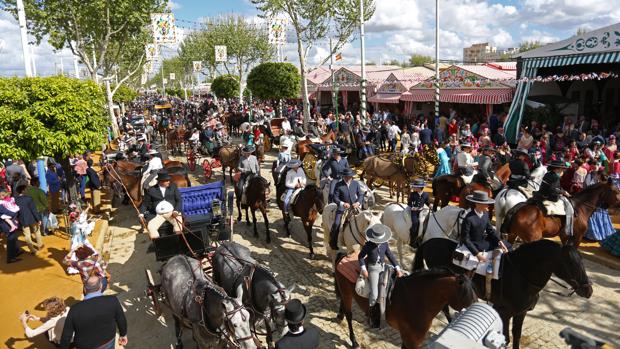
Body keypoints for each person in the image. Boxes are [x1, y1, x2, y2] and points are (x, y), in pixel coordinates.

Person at [59, 276, 128, 349]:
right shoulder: (112, 300)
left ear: (85, 289)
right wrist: (123, 335)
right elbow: (121, 319)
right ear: (101, 286)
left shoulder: (74, 310)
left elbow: (66, 336)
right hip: (108, 340)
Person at [358, 224, 403, 327]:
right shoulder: (368, 245)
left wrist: (398, 268)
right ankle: (370, 314)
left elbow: (390, 255)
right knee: (374, 294)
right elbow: (360, 257)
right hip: (373, 268)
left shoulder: (385, 244)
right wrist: (364, 269)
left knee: (387, 289)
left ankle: (382, 310)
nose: (378, 242)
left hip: (383, 267)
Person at [460, 191, 508, 262]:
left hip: (483, 240)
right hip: (475, 244)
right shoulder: (468, 219)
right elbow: (465, 239)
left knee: (507, 244)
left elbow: (490, 230)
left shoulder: (486, 214)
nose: (488, 206)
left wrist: (499, 241)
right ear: (477, 204)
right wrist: (477, 254)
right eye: (485, 204)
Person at [139, 172, 183, 239]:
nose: (169, 182)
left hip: (172, 213)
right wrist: (141, 214)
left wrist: (176, 211)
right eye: (167, 181)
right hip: (158, 215)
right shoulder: (151, 190)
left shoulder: (173, 186)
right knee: (151, 227)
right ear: (160, 182)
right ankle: (158, 245)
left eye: (169, 180)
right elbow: (145, 204)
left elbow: (179, 200)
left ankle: (178, 241)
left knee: (178, 226)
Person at [534, 160, 573, 236]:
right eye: (562, 168)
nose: (563, 170)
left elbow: (556, 187)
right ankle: (566, 227)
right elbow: (553, 189)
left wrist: (561, 190)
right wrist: (564, 192)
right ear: (557, 168)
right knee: (568, 206)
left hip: (541, 193)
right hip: (550, 196)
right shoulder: (555, 177)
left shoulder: (548, 174)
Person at [329, 168, 363, 250]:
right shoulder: (338, 184)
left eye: (349, 176)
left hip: (355, 207)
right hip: (342, 208)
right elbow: (335, 198)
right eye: (346, 177)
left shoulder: (356, 183)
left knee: (364, 220)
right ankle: (333, 243)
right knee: (336, 224)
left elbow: (360, 195)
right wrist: (343, 203)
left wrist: (358, 203)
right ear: (343, 176)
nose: (348, 178)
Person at [15, 184, 43, 254]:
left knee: (27, 235)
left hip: (23, 219)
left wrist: (18, 219)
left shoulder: (15, 200)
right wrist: (38, 219)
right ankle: (40, 245)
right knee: (37, 231)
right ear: (23, 191)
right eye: (26, 189)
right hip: (32, 218)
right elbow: (34, 210)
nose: (27, 190)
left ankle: (32, 249)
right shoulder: (29, 198)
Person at [0, 188, 22, 263]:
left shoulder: (3, 202)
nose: (4, 196)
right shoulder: (1, 204)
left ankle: (16, 251)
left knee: (13, 238)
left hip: (6, 222)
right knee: (10, 240)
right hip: (5, 224)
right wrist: (16, 214)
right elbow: (6, 211)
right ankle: (11, 258)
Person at [408, 179, 429, 247]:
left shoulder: (426, 194)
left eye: (415, 187)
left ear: (419, 188)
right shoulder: (412, 194)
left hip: (422, 211)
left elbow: (427, 202)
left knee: (425, 222)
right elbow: (409, 203)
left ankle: (422, 238)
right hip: (414, 211)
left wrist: (430, 205)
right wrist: (412, 207)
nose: (413, 188)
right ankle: (412, 241)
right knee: (415, 223)